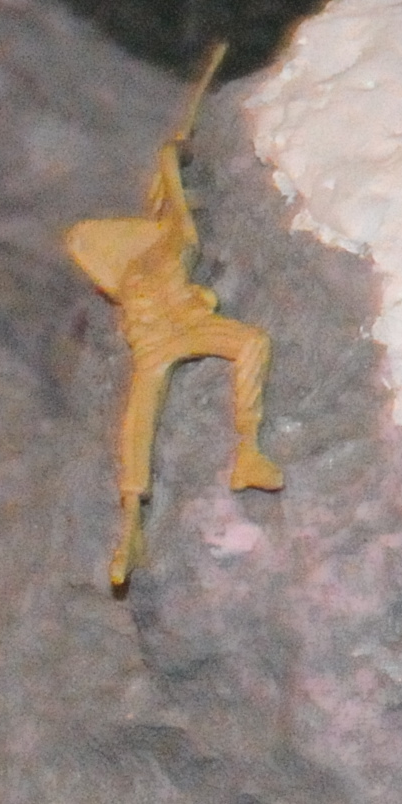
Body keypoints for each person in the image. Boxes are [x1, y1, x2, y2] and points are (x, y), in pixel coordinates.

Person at [65, 48, 280, 591]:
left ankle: (247, 451)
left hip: (176, 329)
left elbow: (173, 195)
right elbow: (165, 198)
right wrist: (170, 159)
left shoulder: (160, 247)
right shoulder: (135, 263)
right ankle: (129, 529)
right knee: (137, 426)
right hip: (157, 343)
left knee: (248, 344)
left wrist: (172, 155)